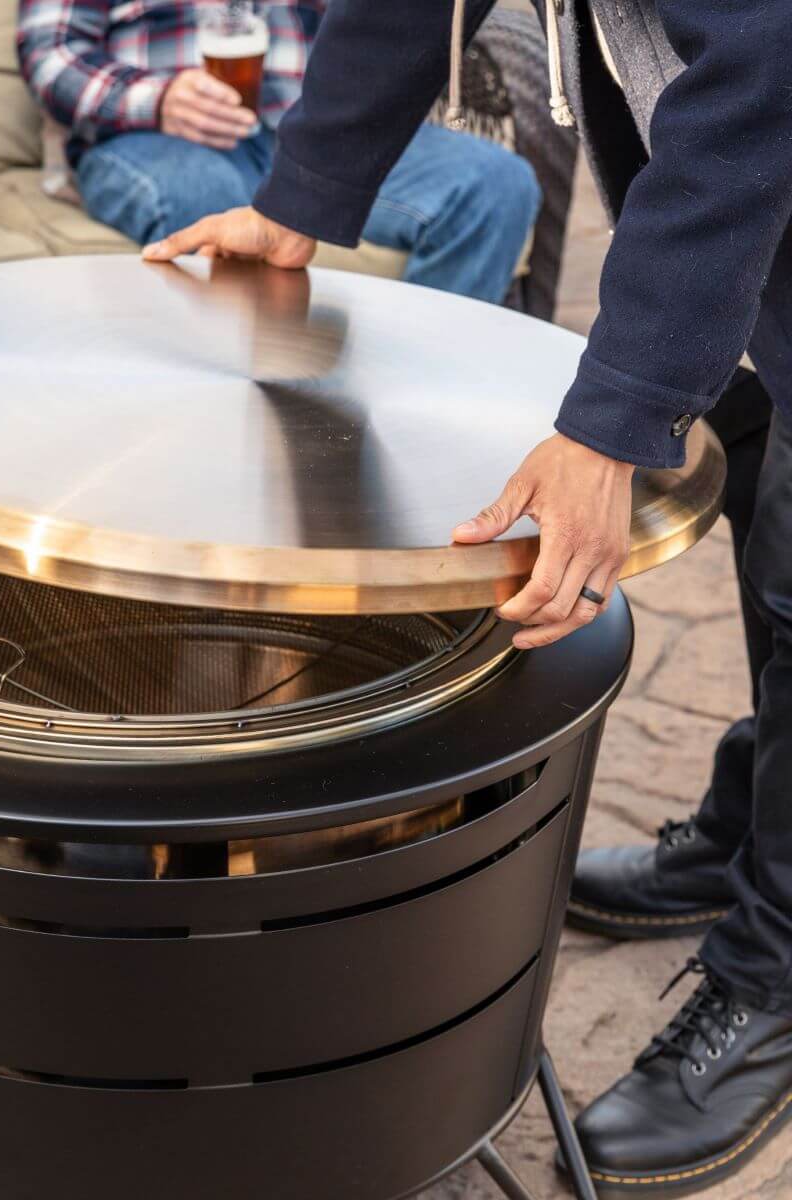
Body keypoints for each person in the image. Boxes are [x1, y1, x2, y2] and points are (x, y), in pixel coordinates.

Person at [144, 0, 792, 1193]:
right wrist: (301, 197)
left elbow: (765, 60)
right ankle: (758, 831)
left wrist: (613, 421)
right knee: (767, 495)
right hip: (758, 223)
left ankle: (777, 971)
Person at [16, 0, 541, 305]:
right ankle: (259, 413)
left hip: (311, 128)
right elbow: (50, 54)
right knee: (210, 203)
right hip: (156, 135)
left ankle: (415, 400)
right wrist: (158, 100)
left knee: (496, 185)